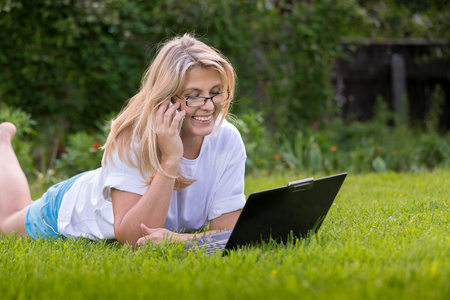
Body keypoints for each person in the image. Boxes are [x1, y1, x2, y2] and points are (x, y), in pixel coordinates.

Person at [0, 34, 246, 247]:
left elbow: (228, 233)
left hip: (104, 183)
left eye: (216, 92)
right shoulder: (133, 136)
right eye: (193, 96)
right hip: (68, 208)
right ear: (166, 98)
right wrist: (170, 159)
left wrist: (177, 240)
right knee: (7, 222)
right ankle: (3, 141)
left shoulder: (227, 139)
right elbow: (132, 238)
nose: (209, 105)